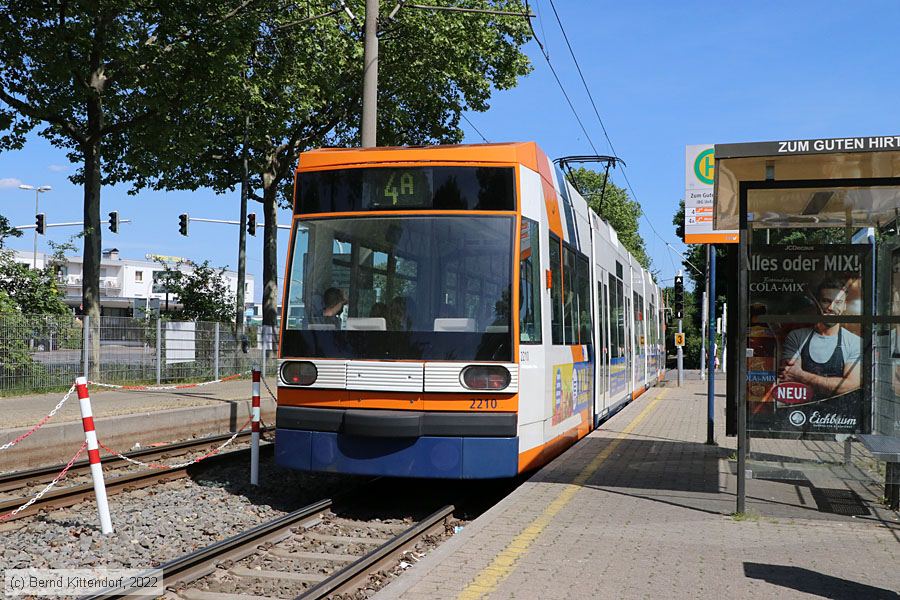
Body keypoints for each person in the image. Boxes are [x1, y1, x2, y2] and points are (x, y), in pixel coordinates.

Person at [778, 278, 861, 401]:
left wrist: (801, 375)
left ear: (844, 306)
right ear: (816, 303)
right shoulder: (797, 337)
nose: (831, 307)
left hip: (842, 418)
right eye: (826, 301)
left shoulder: (854, 342)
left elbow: (850, 386)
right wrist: (834, 384)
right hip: (800, 413)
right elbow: (788, 378)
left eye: (838, 302)